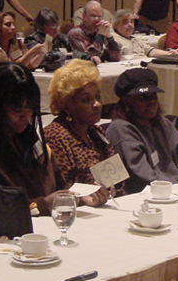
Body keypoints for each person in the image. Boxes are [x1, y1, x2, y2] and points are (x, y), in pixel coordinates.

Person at [0, 63, 109, 235]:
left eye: (30, 107)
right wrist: (41, 206)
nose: (26, 116)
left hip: (38, 233)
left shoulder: (30, 140)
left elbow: (57, 191)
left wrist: (80, 199)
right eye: (17, 109)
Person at [106, 68, 178, 194]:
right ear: (127, 100)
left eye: (154, 96)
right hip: (149, 195)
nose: (151, 102)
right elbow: (145, 177)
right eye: (143, 97)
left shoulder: (162, 123)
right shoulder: (120, 129)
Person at [44, 59, 122, 192]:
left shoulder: (96, 132)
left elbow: (117, 179)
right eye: (86, 100)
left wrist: (114, 188)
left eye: (98, 97)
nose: (97, 104)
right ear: (66, 104)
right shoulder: (56, 137)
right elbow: (64, 191)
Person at [0, 11, 45, 78]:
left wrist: (41, 52)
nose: (13, 27)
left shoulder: (16, 43)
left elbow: (29, 65)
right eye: (8, 24)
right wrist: (32, 51)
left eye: (13, 24)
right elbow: (9, 70)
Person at [111, 9, 178, 58]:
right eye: (125, 22)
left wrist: (169, 54)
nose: (130, 25)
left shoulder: (135, 39)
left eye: (131, 22)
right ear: (116, 25)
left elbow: (151, 51)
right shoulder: (114, 40)